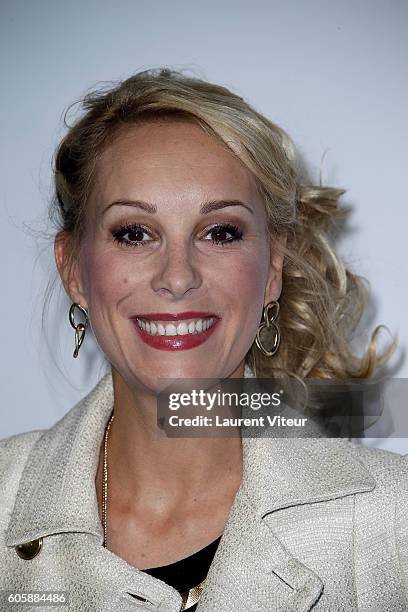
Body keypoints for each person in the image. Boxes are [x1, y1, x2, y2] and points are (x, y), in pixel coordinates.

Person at [0, 68, 407, 612]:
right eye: (133, 233)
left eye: (221, 233)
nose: (177, 275)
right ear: (74, 269)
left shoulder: (393, 523)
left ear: (272, 270)